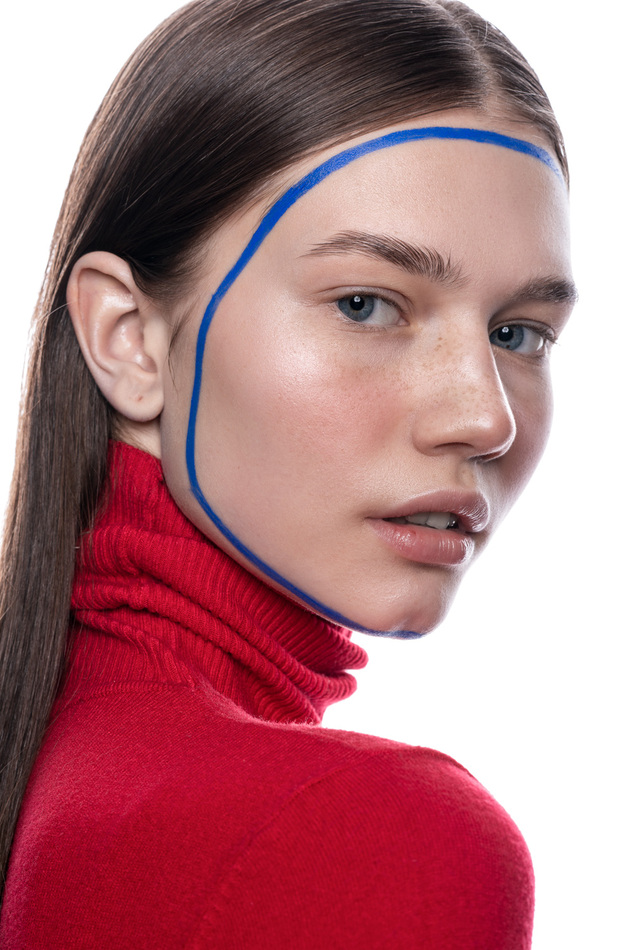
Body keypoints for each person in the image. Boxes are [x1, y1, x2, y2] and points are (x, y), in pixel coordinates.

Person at [0, 0, 577, 945]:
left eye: (518, 334)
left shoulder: (54, 771)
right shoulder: (366, 834)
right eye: (366, 305)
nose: (485, 418)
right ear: (129, 338)